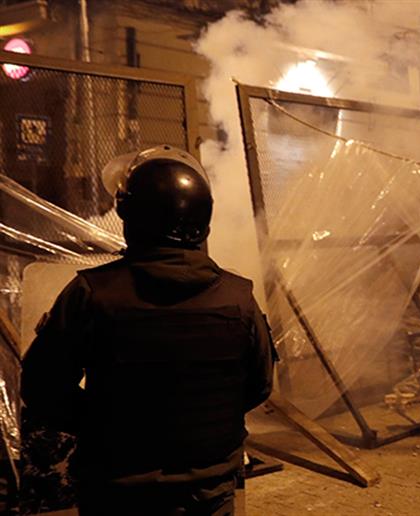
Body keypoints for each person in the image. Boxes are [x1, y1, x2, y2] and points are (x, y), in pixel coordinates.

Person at [20, 146, 275, 515]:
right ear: (204, 221)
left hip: (118, 493)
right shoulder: (239, 299)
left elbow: (41, 388)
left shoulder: (91, 294)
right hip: (208, 495)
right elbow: (259, 385)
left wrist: (103, 423)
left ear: (131, 218)